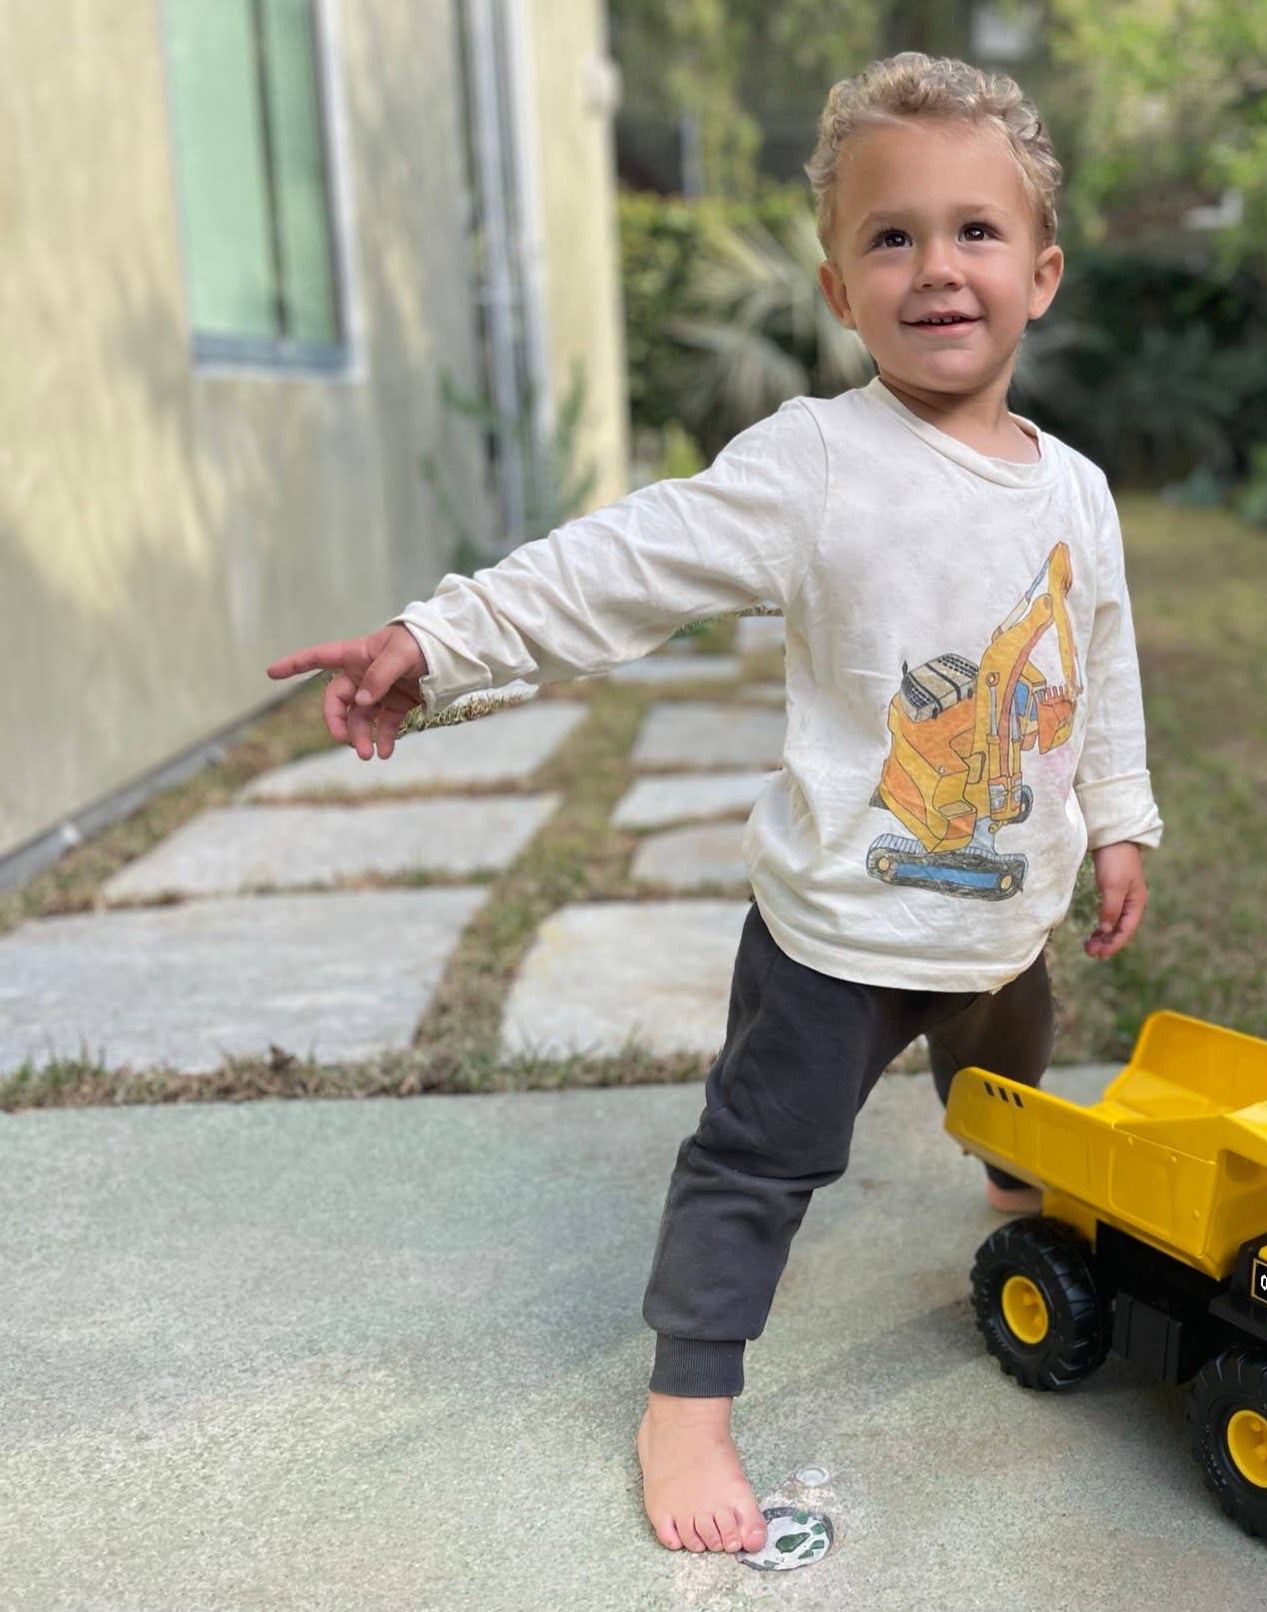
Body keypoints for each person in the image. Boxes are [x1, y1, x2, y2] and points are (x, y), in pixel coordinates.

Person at [266, 52, 1163, 1555]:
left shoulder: (1074, 488)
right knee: (759, 1157)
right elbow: (619, 565)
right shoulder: (817, 465)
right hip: (838, 931)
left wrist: (1121, 820)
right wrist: (441, 640)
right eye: (891, 237)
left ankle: (1011, 1169)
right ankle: (685, 1399)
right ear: (838, 287)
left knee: (1008, 1061)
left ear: (1042, 272)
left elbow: (1104, 656)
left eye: (975, 231)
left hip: (1005, 912)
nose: (937, 268)